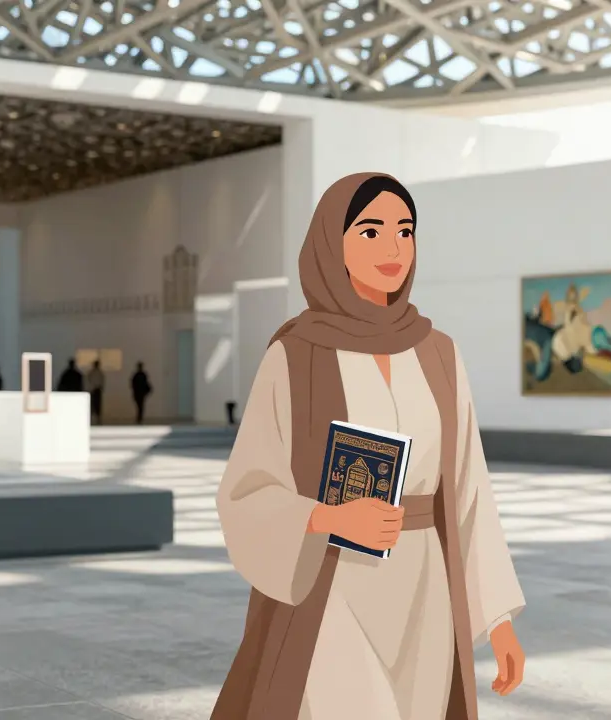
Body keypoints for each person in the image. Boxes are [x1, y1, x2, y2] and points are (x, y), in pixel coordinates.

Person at [213, 173, 526, 720]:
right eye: (372, 231)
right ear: (333, 243)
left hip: (427, 586)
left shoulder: (439, 354)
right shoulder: (294, 356)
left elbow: (469, 486)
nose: (393, 248)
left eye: (405, 232)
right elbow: (247, 490)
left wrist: (497, 618)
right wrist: (325, 518)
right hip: (333, 582)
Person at [86, 360, 105, 425]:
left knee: (95, 404)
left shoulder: (93, 372)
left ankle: (96, 418)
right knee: (95, 404)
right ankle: (96, 418)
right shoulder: (98, 372)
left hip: (95, 390)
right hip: (95, 390)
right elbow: (101, 381)